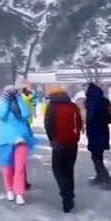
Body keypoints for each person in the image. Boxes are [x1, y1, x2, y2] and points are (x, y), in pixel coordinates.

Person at [43, 84, 83, 212]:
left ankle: (65, 193)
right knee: (68, 170)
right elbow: (80, 123)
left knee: (57, 169)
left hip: (58, 143)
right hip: (72, 143)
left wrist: (52, 139)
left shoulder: (52, 107)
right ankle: (69, 196)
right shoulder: (73, 106)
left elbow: (48, 125)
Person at [0, 85, 37, 204]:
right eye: (8, 92)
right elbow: (1, 115)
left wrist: (19, 99)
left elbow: (26, 114)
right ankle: (9, 190)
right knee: (7, 168)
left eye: (13, 91)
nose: (11, 94)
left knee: (20, 167)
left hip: (22, 138)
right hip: (5, 139)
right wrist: (5, 101)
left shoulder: (21, 101)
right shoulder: (2, 102)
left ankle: (19, 193)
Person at [84, 83, 111, 189]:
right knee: (98, 155)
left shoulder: (90, 102)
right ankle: (100, 177)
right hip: (103, 131)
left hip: (94, 132)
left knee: (95, 157)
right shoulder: (105, 101)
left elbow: (90, 117)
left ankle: (107, 179)